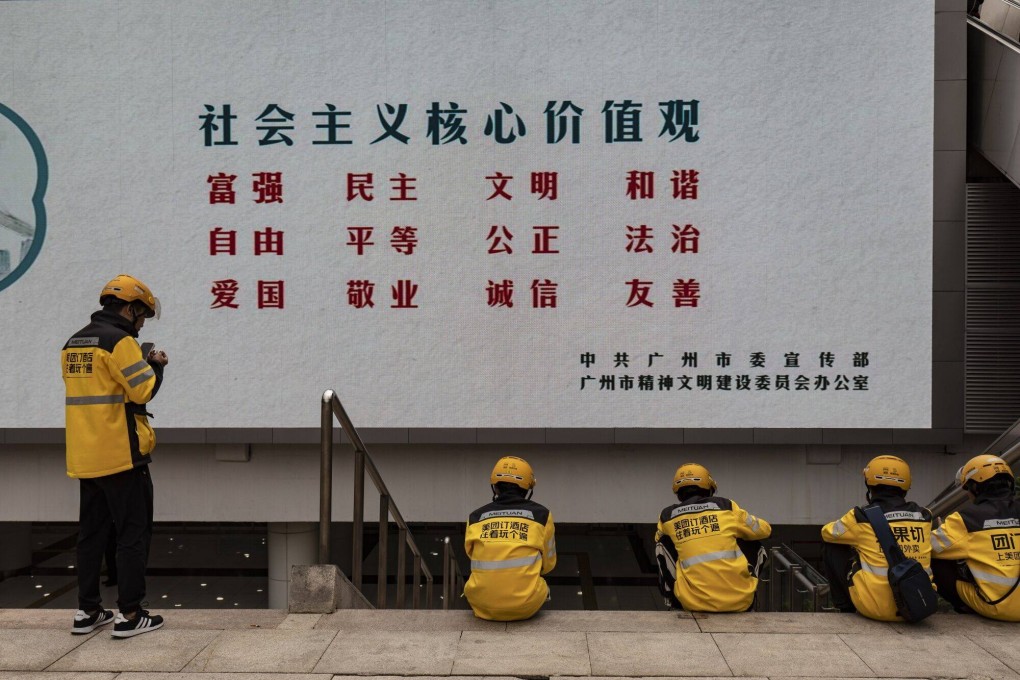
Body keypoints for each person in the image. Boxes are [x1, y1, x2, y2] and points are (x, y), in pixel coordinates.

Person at [62, 274, 167, 638]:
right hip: (122, 455)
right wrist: (156, 364)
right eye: (141, 317)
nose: (141, 325)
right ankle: (131, 613)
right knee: (132, 535)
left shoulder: (74, 343)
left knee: (91, 536)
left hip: (85, 456)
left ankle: (87, 611)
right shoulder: (120, 341)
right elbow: (142, 391)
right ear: (130, 308)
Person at [821, 455, 934, 621]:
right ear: (906, 485)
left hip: (875, 608)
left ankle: (845, 607)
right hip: (918, 603)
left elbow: (827, 533)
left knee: (832, 546)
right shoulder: (924, 516)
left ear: (869, 483)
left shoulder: (861, 516)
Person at [654, 463, 771, 612]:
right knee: (754, 542)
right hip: (741, 602)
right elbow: (764, 530)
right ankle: (747, 586)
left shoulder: (667, 516)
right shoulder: (726, 506)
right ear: (709, 488)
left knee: (662, 544)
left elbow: (658, 538)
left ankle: (673, 601)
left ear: (678, 493)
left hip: (693, 603)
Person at [463, 456, 556, 620]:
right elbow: (548, 565)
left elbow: (472, 555)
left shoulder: (475, 517)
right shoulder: (542, 515)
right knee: (542, 584)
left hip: (480, 603)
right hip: (526, 605)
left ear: (495, 488)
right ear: (528, 489)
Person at [930, 454, 1020, 621]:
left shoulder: (967, 519)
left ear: (975, 488)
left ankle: (964, 607)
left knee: (938, 559)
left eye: (967, 489)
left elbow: (929, 547)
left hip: (997, 606)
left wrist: (941, 529)